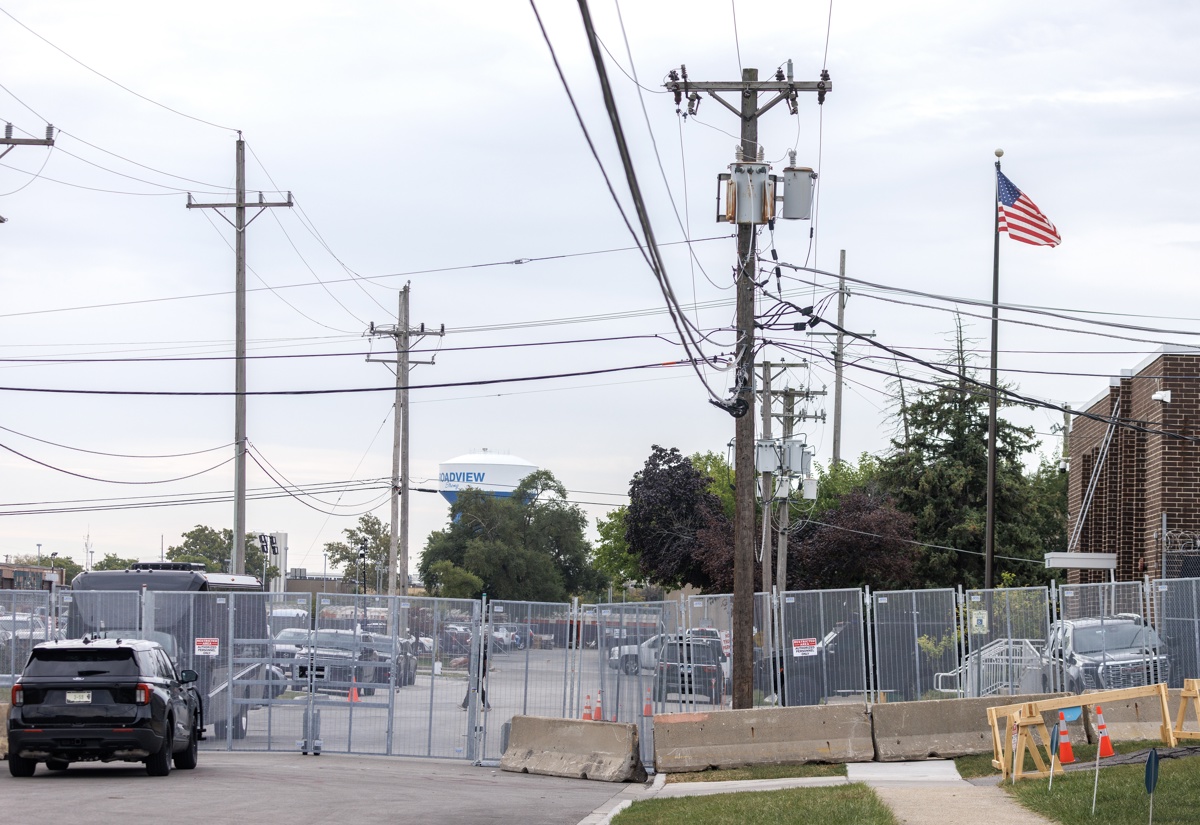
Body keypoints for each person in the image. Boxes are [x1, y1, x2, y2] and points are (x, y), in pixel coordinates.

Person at [460, 641, 490, 710]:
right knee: (476, 688)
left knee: (473, 688)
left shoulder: (473, 649)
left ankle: (465, 705)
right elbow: (485, 661)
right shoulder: (481, 649)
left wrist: (457, 663)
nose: (469, 642)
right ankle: (486, 705)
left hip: (476, 673)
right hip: (479, 673)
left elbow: (467, 660)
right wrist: (485, 672)